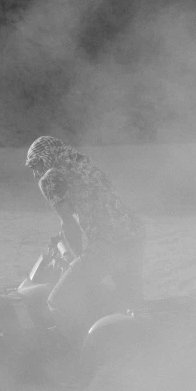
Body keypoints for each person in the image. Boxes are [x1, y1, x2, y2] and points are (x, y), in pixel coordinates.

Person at [26, 136, 145, 347]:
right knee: (129, 302)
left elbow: (69, 224)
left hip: (106, 245)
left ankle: (84, 358)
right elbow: (94, 207)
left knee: (58, 301)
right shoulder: (84, 166)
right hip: (134, 237)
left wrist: (74, 258)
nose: (35, 173)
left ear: (46, 159)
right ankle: (137, 351)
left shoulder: (51, 179)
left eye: (36, 164)